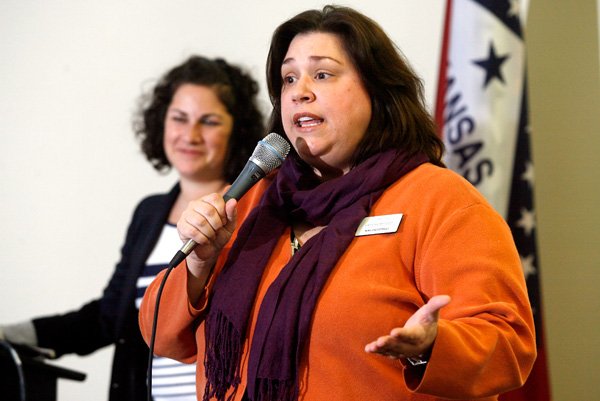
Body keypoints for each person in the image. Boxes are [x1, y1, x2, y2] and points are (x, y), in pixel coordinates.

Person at [139, 6, 537, 401]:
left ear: (377, 89)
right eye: (289, 78)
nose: (300, 91)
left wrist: (433, 346)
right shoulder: (254, 200)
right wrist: (198, 264)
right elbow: (161, 333)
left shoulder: (439, 200)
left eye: (323, 74)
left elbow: (508, 344)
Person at [0, 55, 265, 401]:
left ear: (238, 130)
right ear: (161, 123)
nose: (191, 134)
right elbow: (109, 316)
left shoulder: (260, 208)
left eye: (209, 121)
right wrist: (13, 333)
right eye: (179, 118)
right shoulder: (149, 214)